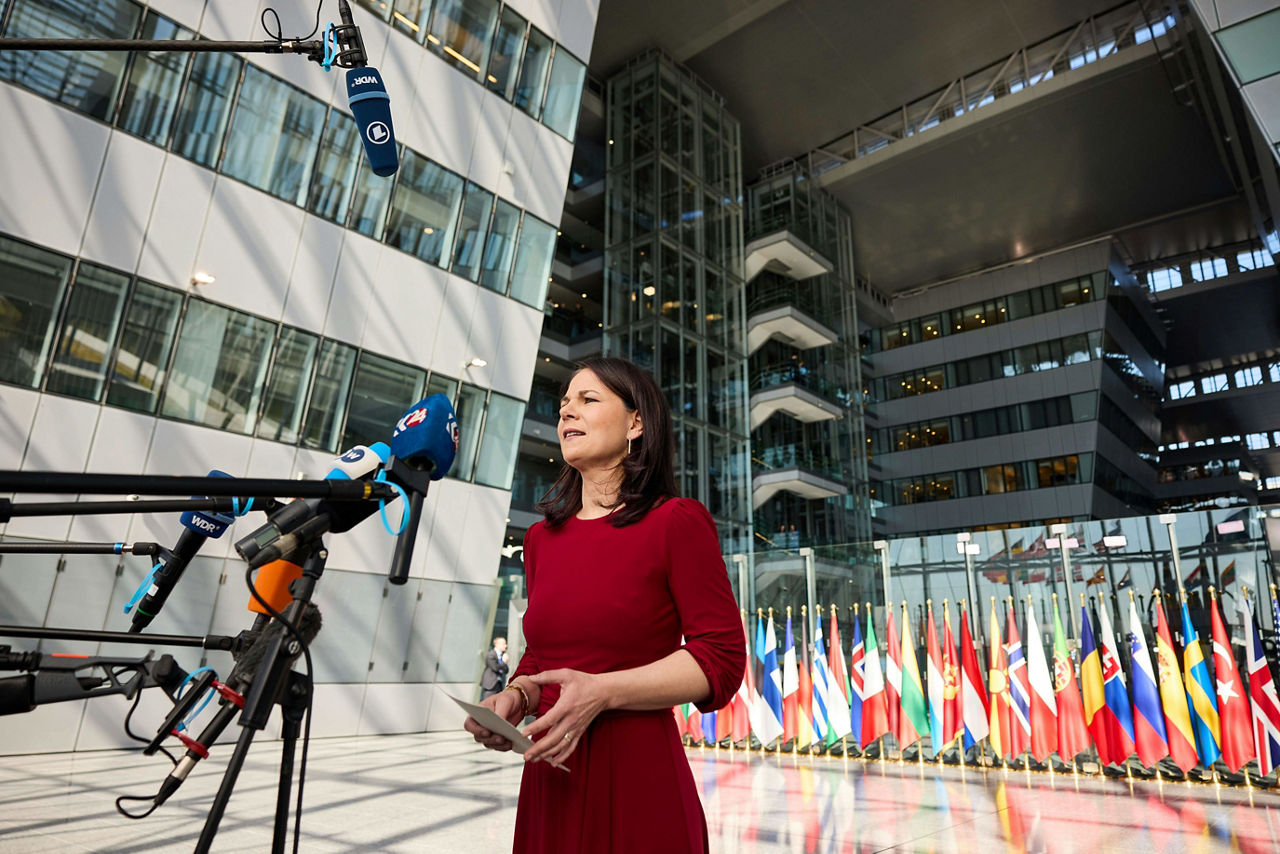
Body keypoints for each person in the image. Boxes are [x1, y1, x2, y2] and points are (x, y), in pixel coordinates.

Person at [463, 356, 745, 854]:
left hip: (638, 776)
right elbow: (541, 657)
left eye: (588, 400)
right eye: (564, 403)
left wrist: (604, 691)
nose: (568, 411)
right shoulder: (540, 539)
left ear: (636, 422)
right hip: (551, 778)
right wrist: (517, 698)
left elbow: (721, 658)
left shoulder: (676, 522)